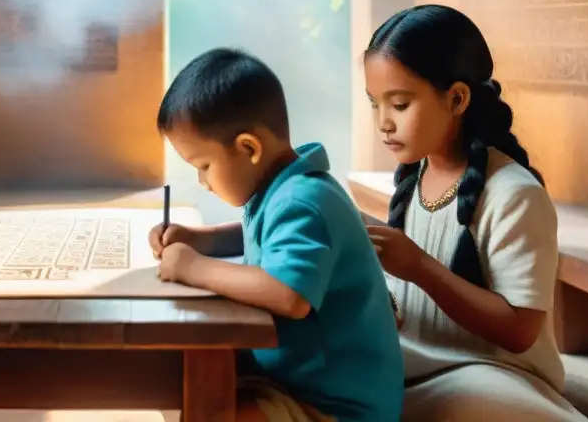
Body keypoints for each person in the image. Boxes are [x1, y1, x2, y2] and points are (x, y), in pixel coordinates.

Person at [151, 48, 404, 422]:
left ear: (248, 149)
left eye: (203, 166)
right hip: (295, 379)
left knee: (209, 409)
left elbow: (290, 294)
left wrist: (192, 267)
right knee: (177, 379)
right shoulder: (283, 190)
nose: (202, 182)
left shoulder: (304, 201)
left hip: (335, 405)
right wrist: (200, 239)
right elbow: (258, 235)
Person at [362, 5, 587, 421]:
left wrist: (419, 267)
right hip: (419, 367)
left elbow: (520, 331)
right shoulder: (415, 178)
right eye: (375, 104)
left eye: (399, 104)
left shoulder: (514, 195)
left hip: (494, 380)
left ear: (457, 99)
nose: (383, 123)